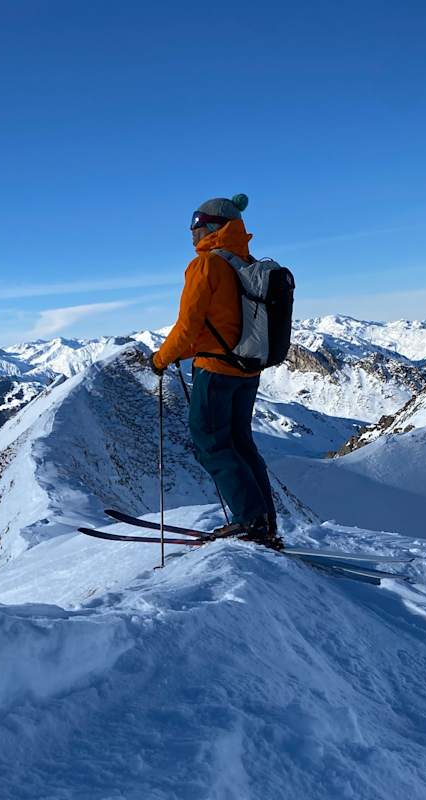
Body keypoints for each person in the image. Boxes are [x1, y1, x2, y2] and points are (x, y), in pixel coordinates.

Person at [151, 194, 282, 549]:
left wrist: (161, 359)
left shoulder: (206, 265)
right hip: (247, 369)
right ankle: (264, 521)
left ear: (212, 226)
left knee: (211, 442)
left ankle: (249, 521)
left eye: (195, 225)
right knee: (241, 443)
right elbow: (224, 325)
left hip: (215, 371)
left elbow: (188, 327)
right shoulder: (246, 262)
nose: (191, 233)